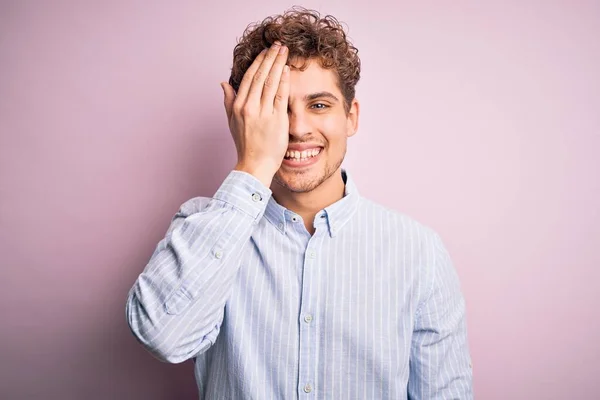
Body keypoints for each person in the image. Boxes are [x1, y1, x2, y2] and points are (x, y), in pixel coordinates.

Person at [126, 7, 473, 399]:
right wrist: (254, 165)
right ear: (244, 117)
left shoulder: (419, 252)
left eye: (319, 105)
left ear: (351, 117)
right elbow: (162, 337)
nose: (297, 128)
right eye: (275, 107)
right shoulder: (203, 226)